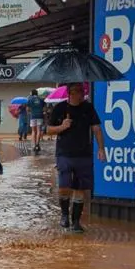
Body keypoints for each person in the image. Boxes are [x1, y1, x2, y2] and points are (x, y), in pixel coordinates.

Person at [45, 83, 105, 232]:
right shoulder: (60, 109)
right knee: (64, 186)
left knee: (80, 188)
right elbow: (48, 130)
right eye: (77, 92)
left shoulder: (88, 108)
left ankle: (76, 221)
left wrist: (101, 148)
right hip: (64, 153)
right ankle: (64, 214)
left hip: (84, 153)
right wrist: (62, 127)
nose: (81, 95)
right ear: (70, 93)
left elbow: (96, 127)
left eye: (82, 91)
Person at [26, 89, 47, 153]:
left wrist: (30, 112)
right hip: (40, 116)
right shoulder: (41, 99)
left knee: (33, 131)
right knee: (38, 130)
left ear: (32, 93)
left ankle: (34, 145)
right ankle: (37, 144)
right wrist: (43, 111)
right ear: (37, 93)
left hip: (33, 116)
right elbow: (45, 108)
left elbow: (27, 109)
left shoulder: (30, 99)